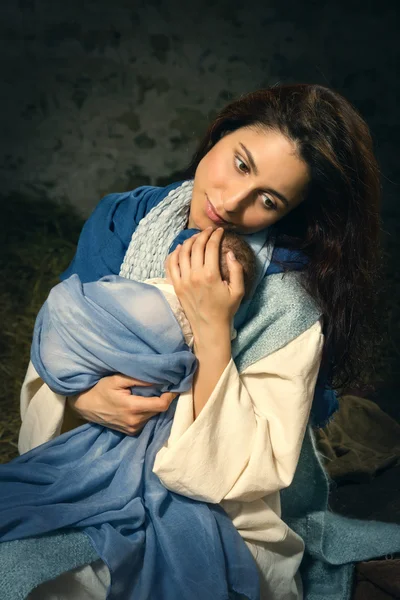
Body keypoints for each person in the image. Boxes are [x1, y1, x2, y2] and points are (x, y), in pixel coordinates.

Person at [15, 84, 383, 599]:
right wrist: (80, 397)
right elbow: (62, 332)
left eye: (268, 200)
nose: (232, 202)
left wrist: (213, 328)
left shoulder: (286, 298)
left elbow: (252, 467)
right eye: (239, 163)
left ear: (288, 212)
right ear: (221, 132)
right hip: (84, 456)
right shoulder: (121, 220)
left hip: (221, 503)